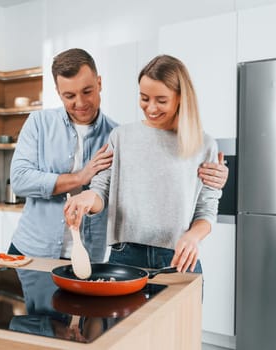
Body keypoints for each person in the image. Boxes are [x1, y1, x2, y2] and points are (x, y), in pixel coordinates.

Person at [9, 48, 227, 263]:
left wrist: (195, 230)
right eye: (144, 98)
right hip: (37, 249)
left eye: (87, 91)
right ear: (58, 93)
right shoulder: (44, 124)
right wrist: (82, 182)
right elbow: (97, 189)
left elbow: (204, 205)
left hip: (133, 256)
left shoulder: (118, 134)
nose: (80, 102)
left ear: (99, 83)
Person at [64, 54, 221, 274]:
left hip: (178, 258)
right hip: (125, 256)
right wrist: (87, 198)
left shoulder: (204, 145)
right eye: (144, 98)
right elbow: (101, 190)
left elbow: (207, 209)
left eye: (161, 100)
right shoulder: (121, 137)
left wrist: (193, 236)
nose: (151, 108)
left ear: (180, 98)